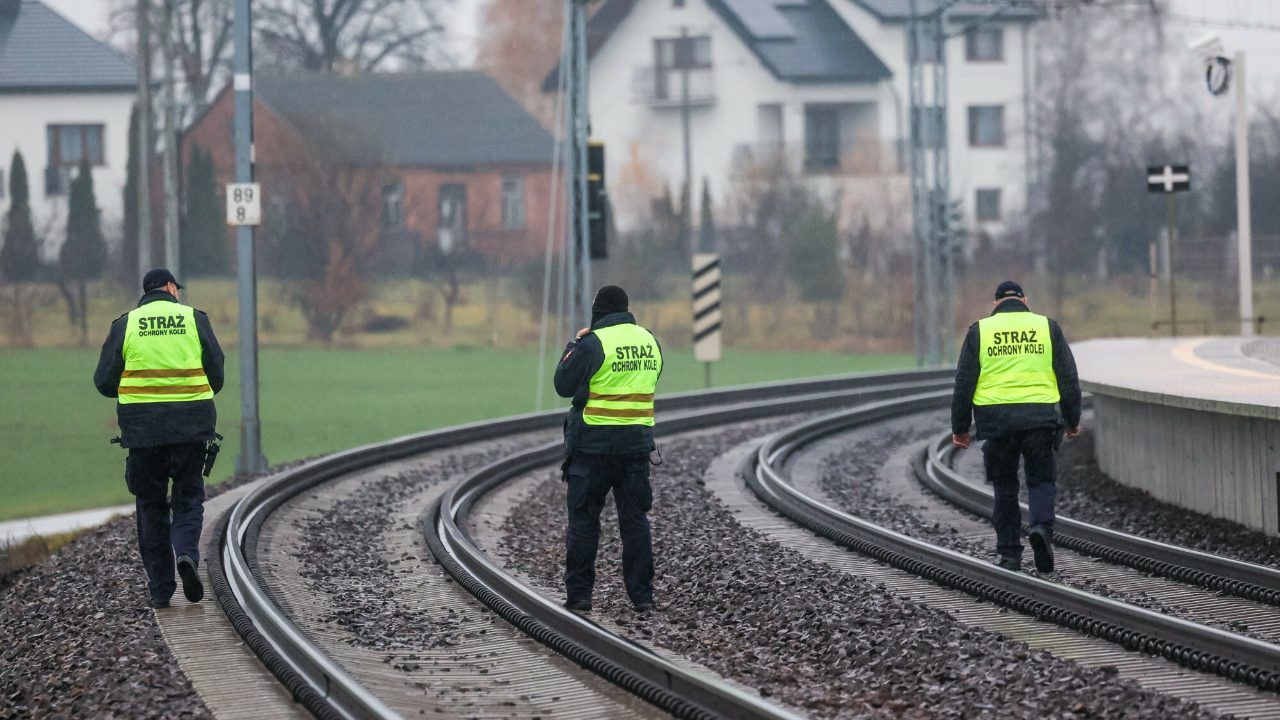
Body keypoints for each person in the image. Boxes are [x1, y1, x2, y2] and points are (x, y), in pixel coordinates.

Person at [94, 269, 225, 609]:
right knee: (188, 496)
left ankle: (161, 588)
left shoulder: (127, 324)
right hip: (191, 428)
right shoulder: (194, 319)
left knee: (150, 505)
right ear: (169, 288)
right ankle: (186, 555)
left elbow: (104, 381)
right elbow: (217, 373)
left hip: (143, 432)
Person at [950, 280, 1081, 574]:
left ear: (995, 303)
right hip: (1040, 420)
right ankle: (1041, 530)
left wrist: (960, 428)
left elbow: (963, 383)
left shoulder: (980, 332)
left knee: (1005, 487)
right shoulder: (1047, 328)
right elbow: (1068, 378)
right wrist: (1072, 420)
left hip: (997, 423)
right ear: (1025, 299)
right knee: (1041, 481)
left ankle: (1010, 553)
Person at [553, 285, 663, 613]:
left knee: (585, 521)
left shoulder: (592, 344)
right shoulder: (650, 342)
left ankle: (580, 597)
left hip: (592, 450)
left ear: (598, 313)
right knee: (635, 521)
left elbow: (563, 385)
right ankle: (643, 598)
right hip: (635, 450)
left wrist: (576, 343)